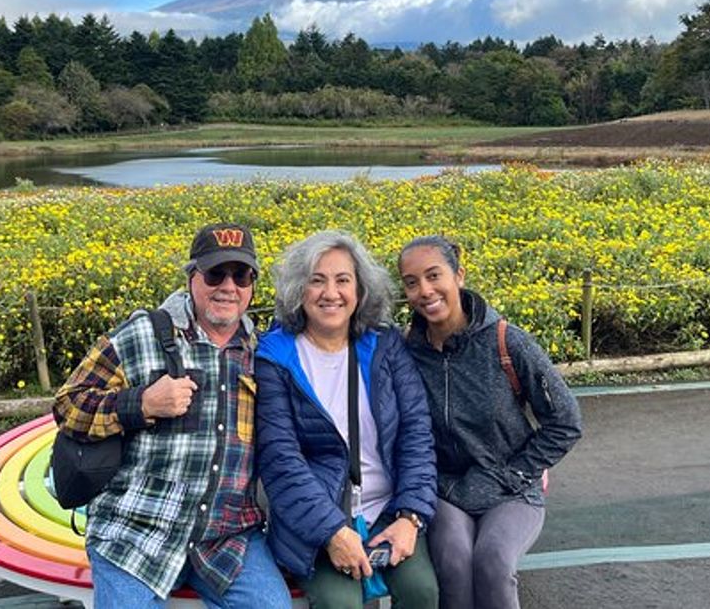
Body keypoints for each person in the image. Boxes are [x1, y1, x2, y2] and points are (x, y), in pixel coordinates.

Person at [53, 223, 290, 609]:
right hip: (135, 529)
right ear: (192, 276)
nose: (228, 286)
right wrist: (140, 404)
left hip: (227, 536)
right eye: (215, 273)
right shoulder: (143, 333)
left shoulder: (262, 353)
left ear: (253, 286)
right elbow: (67, 406)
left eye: (241, 275)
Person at [255, 230, 439, 609]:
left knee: (421, 591)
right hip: (317, 520)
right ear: (298, 289)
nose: (331, 293)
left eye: (343, 280)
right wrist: (331, 532)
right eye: (316, 280)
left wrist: (410, 516)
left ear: (360, 290)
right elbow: (280, 459)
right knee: (339, 603)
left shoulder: (384, 345)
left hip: (387, 509)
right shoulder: (275, 357)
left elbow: (416, 433)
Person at [397, 235, 583, 609]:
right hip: (446, 489)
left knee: (493, 561)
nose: (425, 291)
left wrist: (515, 473)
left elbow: (566, 421)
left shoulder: (506, 342)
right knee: (453, 562)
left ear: (459, 275)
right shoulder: (406, 350)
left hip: (512, 489)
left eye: (434, 276)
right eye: (411, 282)